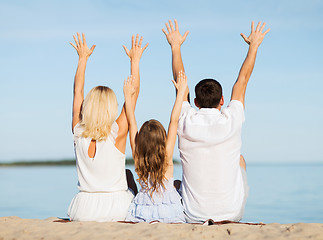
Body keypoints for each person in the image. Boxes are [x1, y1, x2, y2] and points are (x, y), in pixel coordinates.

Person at [162, 20, 270, 223]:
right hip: (232, 213)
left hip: (193, 214)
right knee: (240, 159)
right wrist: (254, 46)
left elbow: (180, 83)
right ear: (222, 100)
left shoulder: (185, 118)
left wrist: (175, 47)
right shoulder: (232, 118)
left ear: (195, 102)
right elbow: (242, 80)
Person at [67, 33, 148, 222]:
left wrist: (82, 59)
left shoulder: (78, 131)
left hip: (84, 209)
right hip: (117, 208)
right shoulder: (116, 132)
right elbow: (133, 96)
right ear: (111, 108)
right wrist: (135, 61)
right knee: (128, 175)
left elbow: (77, 91)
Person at [123, 71, 188, 223]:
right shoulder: (166, 155)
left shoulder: (138, 155)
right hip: (169, 212)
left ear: (142, 141)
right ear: (162, 138)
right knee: (177, 183)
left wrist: (127, 96)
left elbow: (132, 124)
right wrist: (181, 93)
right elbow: (173, 121)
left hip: (143, 209)